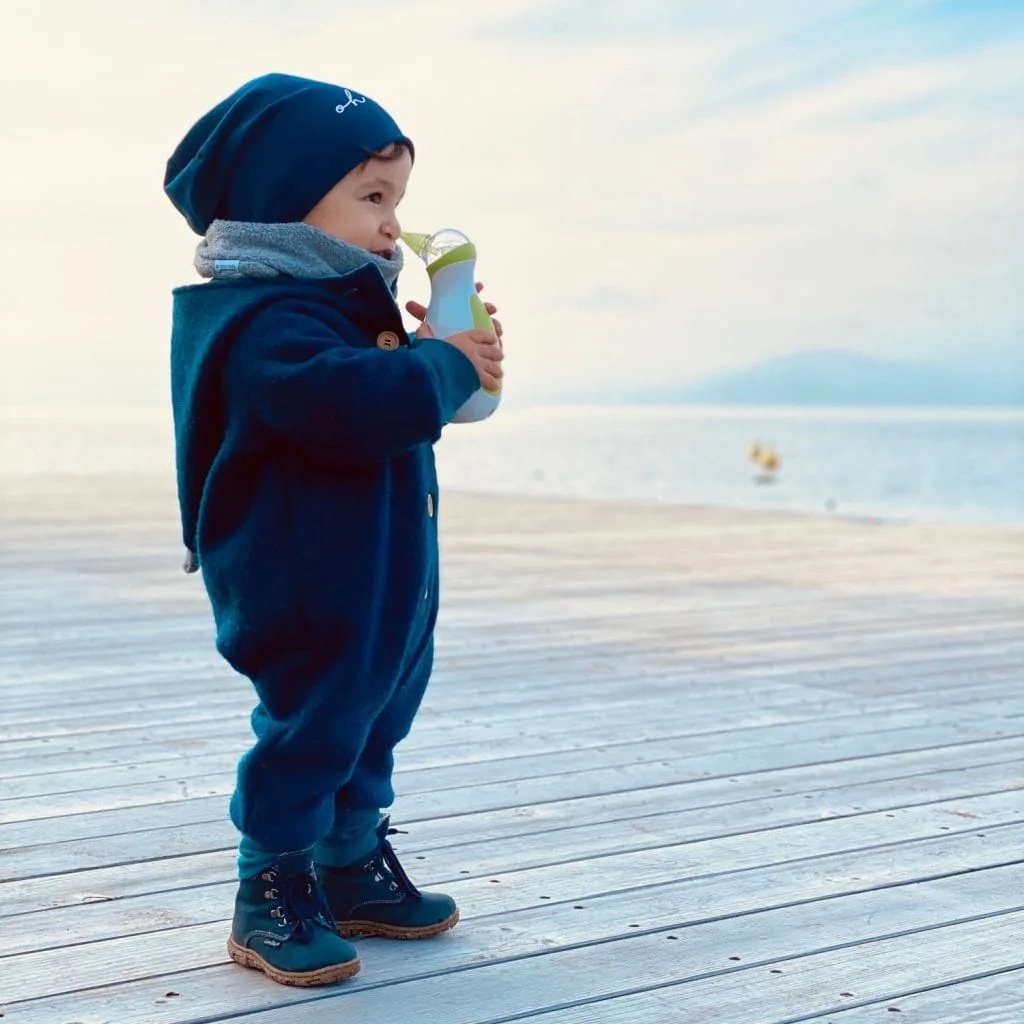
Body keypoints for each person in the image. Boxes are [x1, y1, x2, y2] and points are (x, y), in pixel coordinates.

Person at [163, 72, 504, 987]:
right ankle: (268, 889)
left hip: (381, 575)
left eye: (398, 200)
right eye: (372, 197)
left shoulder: (341, 308)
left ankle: (350, 865)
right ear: (285, 202)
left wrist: (456, 361)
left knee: (376, 716)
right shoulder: (264, 321)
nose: (394, 223)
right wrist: (429, 368)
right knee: (313, 726)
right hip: (304, 585)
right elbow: (344, 408)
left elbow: (400, 400)